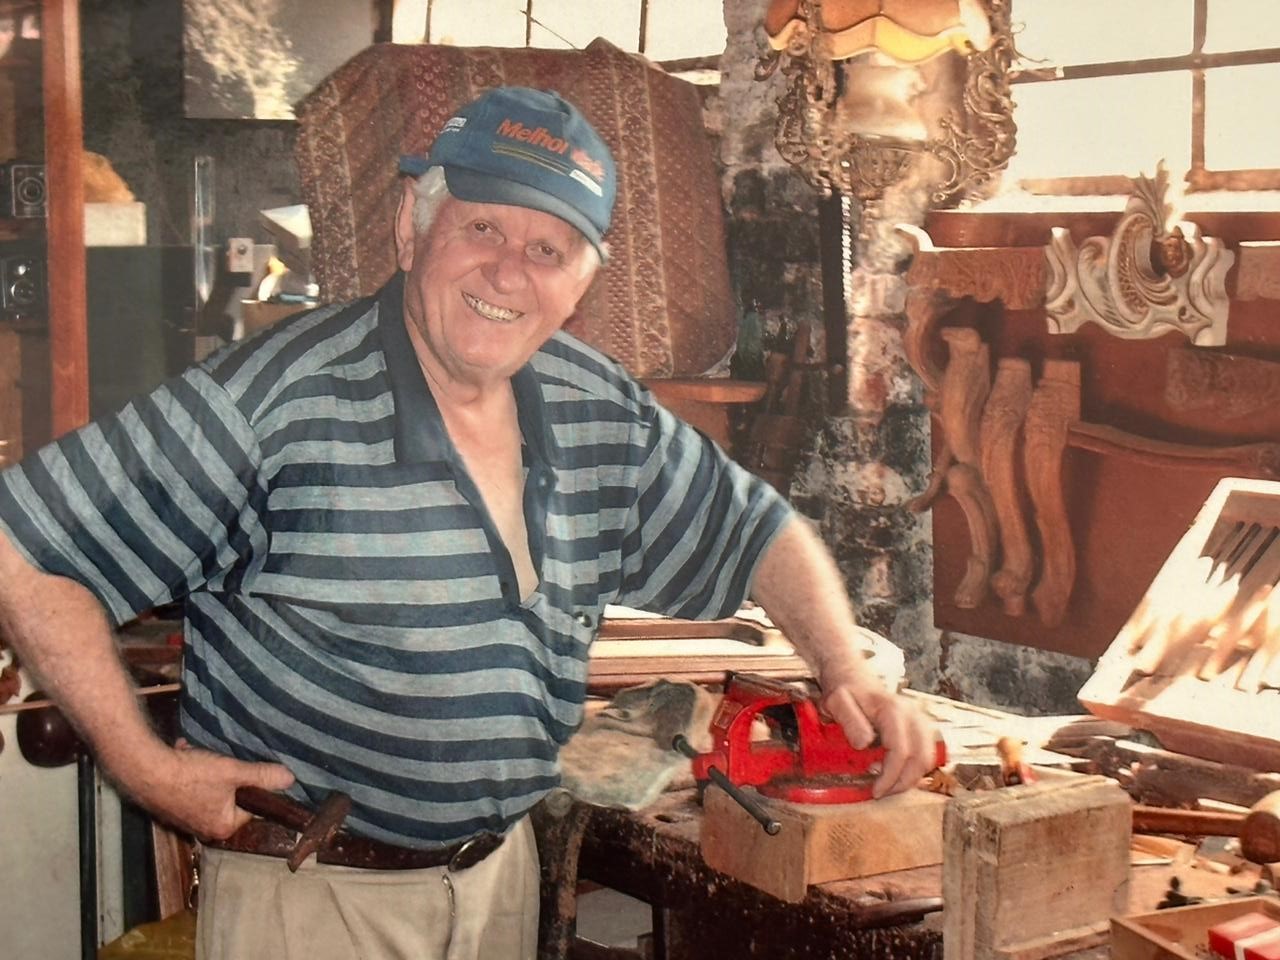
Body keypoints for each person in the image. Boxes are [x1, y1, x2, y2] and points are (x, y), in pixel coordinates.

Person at [0, 86, 938, 960]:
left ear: (581, 283)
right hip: (317, 898)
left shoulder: (594, 404)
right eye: (482, 226)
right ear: (411, 227)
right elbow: (20, 548)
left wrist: (845, 669)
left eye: (549, 250)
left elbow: (759, 529)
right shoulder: (273, 402)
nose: (508, 271)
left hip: (498, 883)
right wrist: (144, 767)